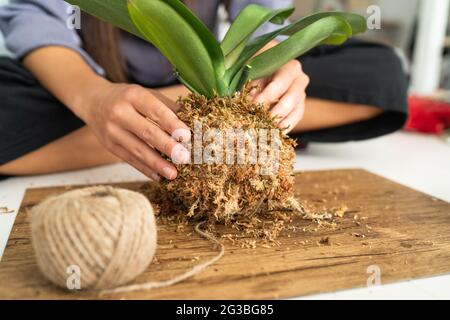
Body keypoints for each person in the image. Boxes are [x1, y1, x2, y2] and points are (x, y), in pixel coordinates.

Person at [0, 0, 408, 180]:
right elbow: (37, 18)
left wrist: (276, 71)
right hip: (88, 88)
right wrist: (93, 99)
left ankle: (179, 123)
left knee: (381, 70)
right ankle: (222, 132)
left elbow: (265, 20)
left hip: (207, 84)